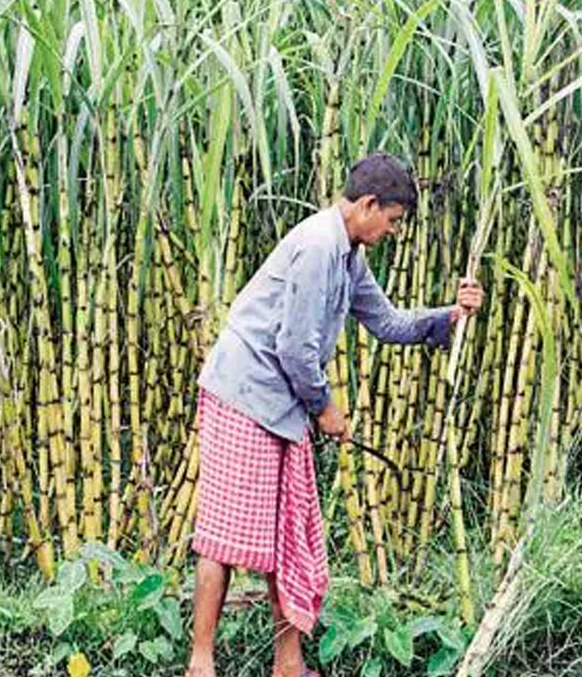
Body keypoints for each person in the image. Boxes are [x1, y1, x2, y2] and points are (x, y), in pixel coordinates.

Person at [185, 153, 485, 677]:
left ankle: (288, 666)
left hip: (281, 404)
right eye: (391, 220)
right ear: (368, 205)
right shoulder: (318, 247)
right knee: (223, 534)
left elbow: (388, 323)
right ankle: (200, 662)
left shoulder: (349, 256)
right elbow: (295, 348)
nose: (392, 231)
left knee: (289, 534)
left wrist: (452, 316)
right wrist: (325, 408)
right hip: (243, 394)